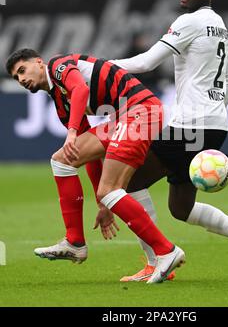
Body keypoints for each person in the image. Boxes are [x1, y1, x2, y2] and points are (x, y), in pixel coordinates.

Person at [94, 0, 228, 282]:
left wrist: (95, 66)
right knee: (181, 208)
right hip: (214, 124)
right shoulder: (219, 24)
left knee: (128, 183)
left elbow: (145, 62)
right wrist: (212, 111)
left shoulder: (190, 21)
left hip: (190, 124)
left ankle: (158, 259)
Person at [6, 48, 185, 284]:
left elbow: (80, 89)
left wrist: (71, 132)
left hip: (141, 110)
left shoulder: (58, 65)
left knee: (109, 189)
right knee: (62, 161)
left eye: (22, 70)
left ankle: (166, 251)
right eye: (16, 78)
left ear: (39, 63)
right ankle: (75, 242)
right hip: (124, 117)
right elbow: (88, 155)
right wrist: (102, 206)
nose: (21, 79)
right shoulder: (61, 102)